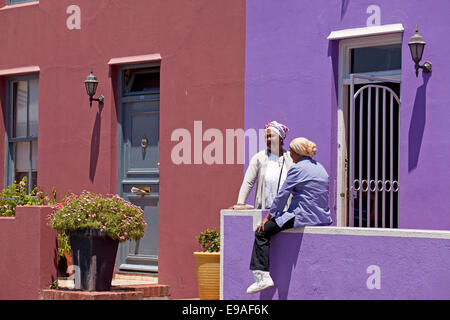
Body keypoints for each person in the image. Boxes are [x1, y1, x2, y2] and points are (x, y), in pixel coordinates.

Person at [246, 137, 332, 294]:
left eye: (291, 151)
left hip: (302, 215)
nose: (290, 154)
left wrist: (269, 217)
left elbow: (282, 195)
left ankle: (262, 277)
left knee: (262, 232)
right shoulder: (321, 168)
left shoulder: (297, 169)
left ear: (297, 153)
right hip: (321, 218)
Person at [232, 121, 293, 210]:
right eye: (266, 137)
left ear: (281, 138)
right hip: (264, 211)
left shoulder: (291, 159)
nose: (268, 139)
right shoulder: (259, 158)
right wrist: (240, 203)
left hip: (286, 213)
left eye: (271, 136)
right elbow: (248, 182)